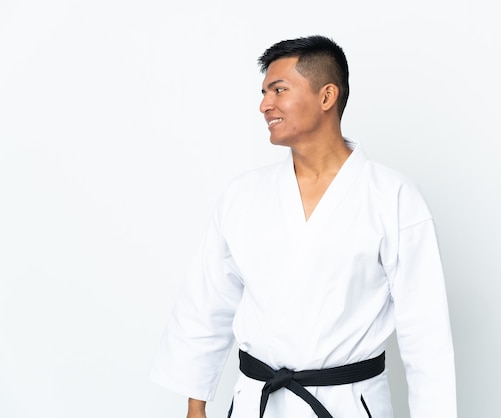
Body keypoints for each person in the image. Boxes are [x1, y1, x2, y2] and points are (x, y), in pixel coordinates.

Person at [150, 35, 456, 418]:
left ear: (327, 97)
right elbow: (207, 303)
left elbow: (425, 334)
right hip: (255, 402)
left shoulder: (391, 197)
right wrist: (196, 407)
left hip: (347, 404)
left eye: (279, 90)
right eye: (263, 92)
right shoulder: (243, 194)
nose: (265, 105)